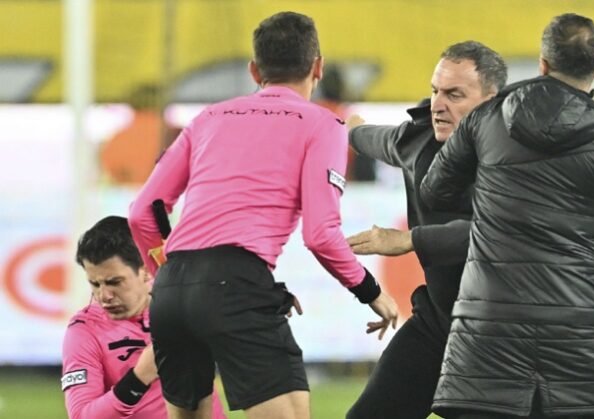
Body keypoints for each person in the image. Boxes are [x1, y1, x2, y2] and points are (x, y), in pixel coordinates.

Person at [128, 11, 398, 419]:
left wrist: (171, 274)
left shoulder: (207, 118)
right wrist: (372, 292)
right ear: (318, 67)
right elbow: (320, 234)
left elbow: (141, 214)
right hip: (236, 284)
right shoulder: (323, 125)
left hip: (171, 290)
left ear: (255, 71)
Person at [421, 14, 594, 419]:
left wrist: (495, 198)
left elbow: (434, 190)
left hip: (487, 329)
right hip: (581, 328)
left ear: (543, 63)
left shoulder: (484, 119)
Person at [344, 41, 507, 419]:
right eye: (435, 91)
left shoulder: (519, 156)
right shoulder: (415, 141)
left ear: (490, 101)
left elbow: (498, 231)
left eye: (454, 94)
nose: (437, 105)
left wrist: (410, 239)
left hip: (505, 333)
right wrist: (348, 128)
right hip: (437, 321)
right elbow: (363, 135)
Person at [62, 216, 226, 419]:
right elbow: (81, 416)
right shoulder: (84, 330)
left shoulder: (184, 305)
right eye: (95, 284)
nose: (104, 296)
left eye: (115, 282)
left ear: (146, 270)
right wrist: (139, 377)